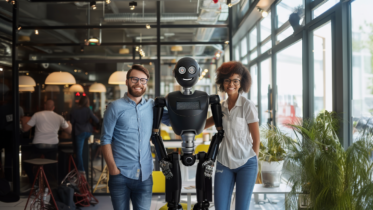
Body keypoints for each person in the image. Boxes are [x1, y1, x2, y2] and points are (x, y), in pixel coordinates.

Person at [101, 64, 169, 210]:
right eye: (135, 79)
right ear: (127, 81)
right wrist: (113, 169)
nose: (139, 83)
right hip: (120, 175)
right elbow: (105, 139)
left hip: (144, 176)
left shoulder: (153, 107)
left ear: (146, 84)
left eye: (143, 80)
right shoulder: (114, 107)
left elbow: (174, 121)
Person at [205, 61, 260, 210]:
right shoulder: (221, 107)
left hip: (246, 163)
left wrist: (253, 159)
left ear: (241, 83)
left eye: (235, 80)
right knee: (220, 207)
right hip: (224, 162)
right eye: (227, 80)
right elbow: (203, 124)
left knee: (242, 207)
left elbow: (256, 139)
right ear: (222, 82)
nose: (231, 84)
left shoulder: (247, 106)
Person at [21, 99, 72, 184]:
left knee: (27, 163)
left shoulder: (37, 115)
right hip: (53, 145)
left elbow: (25, 129)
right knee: (51, 164)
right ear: (53, 107)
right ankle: (51, 183)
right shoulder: (59, 117)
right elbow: (69, 131)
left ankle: (33, 180)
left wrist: (23, 121)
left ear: (44, 106)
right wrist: (69, 124)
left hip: (38, 145)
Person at [70, 96, 99, 175]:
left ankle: (81, 170)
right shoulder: (88, 109)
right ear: (87, 102)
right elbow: (96, 120)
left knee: (79, 152)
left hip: (79, 132)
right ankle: (92, 159)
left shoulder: (74, 110)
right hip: (88, 132)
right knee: (92, 145)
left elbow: (72, 121)